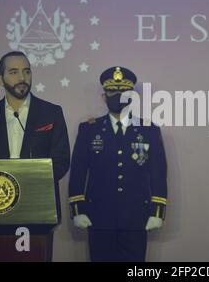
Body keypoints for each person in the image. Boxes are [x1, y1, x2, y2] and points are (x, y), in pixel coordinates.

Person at [0, 50, 71, 261]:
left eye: (27, 71)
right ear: (1, 79)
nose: (22, 78)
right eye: (14, 72)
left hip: (39, 208)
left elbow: (61, 161)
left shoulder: (51, 112)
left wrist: (27, 182)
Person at [68, 66, 167, 262]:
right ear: (104, 96)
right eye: (113, 92)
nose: (118, 96)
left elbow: (158, 172)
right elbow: (78, 171)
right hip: (98, 217)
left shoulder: (148, 130)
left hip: (136, 218)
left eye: (123, 92)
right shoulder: (89, 130)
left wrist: (157, 212)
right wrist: (77, 210)